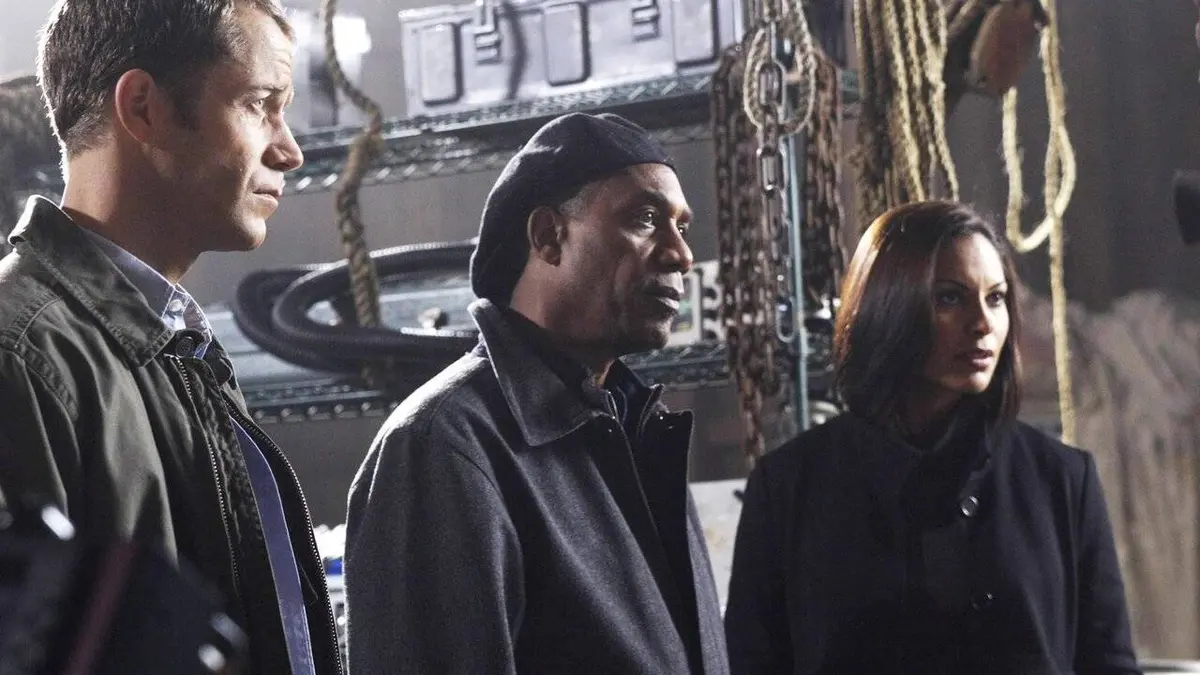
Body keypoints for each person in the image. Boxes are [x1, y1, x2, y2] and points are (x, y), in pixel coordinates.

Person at [0, 2, 341, 673]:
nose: (290, 151)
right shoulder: (22, 355)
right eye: (259, 105)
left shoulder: (173, 347)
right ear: (144, 107)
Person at [344, 112, 730, 674]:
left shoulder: (636, 426)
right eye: (645, 219)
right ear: (549, 236)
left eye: (682, 227)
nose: (680, 255)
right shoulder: (444, 445)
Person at [723, 201, 1141, 675]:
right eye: (949, 298)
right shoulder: (789, 486)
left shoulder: (1061, 479)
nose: (982, 324)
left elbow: (1109, 665)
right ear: (890, 307)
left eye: (996, 298)